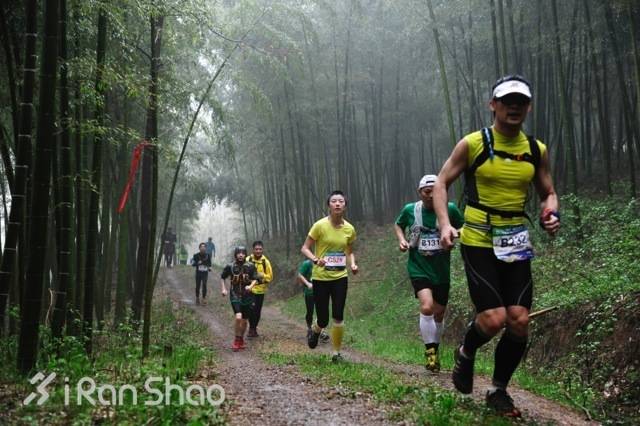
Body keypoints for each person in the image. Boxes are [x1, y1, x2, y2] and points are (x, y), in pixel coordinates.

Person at [433, 75, 560, 417]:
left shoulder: (535, 150)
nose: (514, 107)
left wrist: (550, 212)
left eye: (521, 101)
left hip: (516, 239)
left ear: (528, 107)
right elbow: (441, 183)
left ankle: (498, 390)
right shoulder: (473, 143)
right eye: (507, 101)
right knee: (492, 319)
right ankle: (466, 350)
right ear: (493, 105)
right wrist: (445, 224)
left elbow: (548, 191)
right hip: (478, 238)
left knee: (518, 320)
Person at [393, 174, 464, 372]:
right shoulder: (411, 210)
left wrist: (455, 233)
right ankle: (430, 352)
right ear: (420, 192)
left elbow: (464, 226)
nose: (431, 195)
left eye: (435, 191)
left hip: (441, 269)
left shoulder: (450, 209)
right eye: (427, 192)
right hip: (418, 266)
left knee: (439, 314)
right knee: (427, 307)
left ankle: (435, 349)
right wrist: (401, 240)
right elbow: (398, 224)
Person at [301, 190, 358, 362]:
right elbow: (305, 248)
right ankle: (316, 329)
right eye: (334, 201)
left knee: (338, 315)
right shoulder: (319, 226)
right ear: (329, 205)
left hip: (340, 277)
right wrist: (315, 259)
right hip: (321, 278)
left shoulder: (349, 229)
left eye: (341, 201)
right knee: (324, 319)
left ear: (345, 206)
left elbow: (349, 251)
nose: (337, 203)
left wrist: (353, 264)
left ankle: (336, 353)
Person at [220, 246, 258, 352]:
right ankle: (236, 340)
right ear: (235, 254)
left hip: (248, 296)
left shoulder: (251, 266)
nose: (241, 255)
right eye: (238, 253)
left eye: (243, 253)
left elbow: (256, 279)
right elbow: (222, 277)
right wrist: (223, 289)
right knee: (238, 317)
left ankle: (241, 338)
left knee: (245, 320)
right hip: (235, 294)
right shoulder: (230, 266)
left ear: (245, 254)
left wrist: (250, 286)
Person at [297, 259, 330, 343]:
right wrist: (307, 284)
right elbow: (300, 275)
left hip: (322, 291)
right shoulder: (307, 264)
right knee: (310, 312)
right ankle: (309, 328)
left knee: (322, 312)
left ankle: (322, 332)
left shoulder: (326, 262)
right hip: (310, 292)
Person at [246, 241, 273, 338]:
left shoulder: (266, 262)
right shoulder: (248, 259)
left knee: (257, 311)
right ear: (253, 250)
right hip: (250, 290)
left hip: (261, 290)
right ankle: (251, 329)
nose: (258, 251)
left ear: (262, 250)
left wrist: (262, 275)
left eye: (260, 249)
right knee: (251, 309)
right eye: (256, 249)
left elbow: (270, 277)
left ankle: (253, 328)